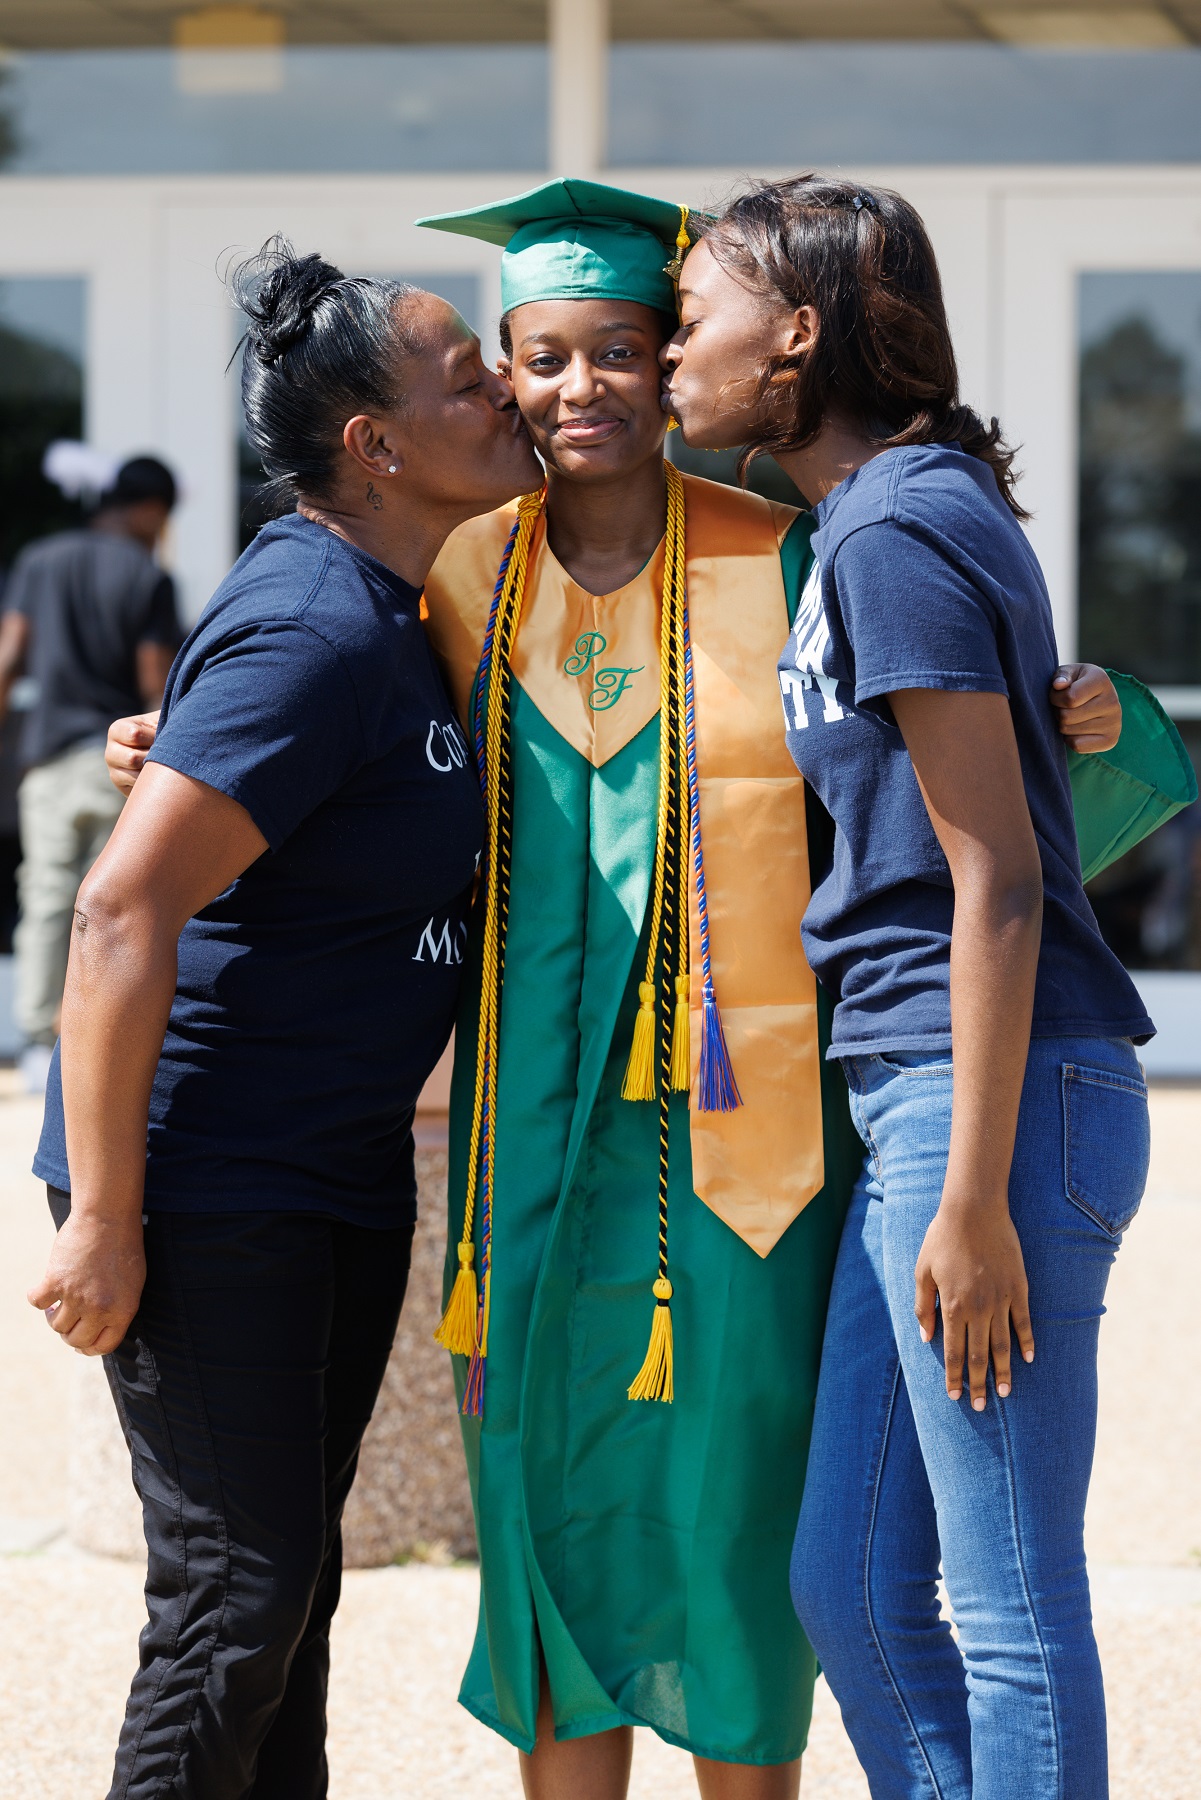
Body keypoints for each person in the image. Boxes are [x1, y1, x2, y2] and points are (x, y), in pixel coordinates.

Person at [103, 185, 1154, 1800]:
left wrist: (1064, 702)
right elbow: (313, 737)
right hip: (526, 1159)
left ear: (675, 363)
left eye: (622, 348)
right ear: (504, 381)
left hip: (757, 1160)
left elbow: (924, 786)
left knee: (755, 1555)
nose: (579, 385)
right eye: (535, 358)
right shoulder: (450, 579)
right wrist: (159, 756)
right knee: (554, 1531)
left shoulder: (796, 543)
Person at [661, 175, 1193, 1798]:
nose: (669, 345)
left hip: (989, 1105)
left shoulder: (896, 526)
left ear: (799, 335)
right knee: (853, 1586)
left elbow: (999, 875)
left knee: (1006, 1599)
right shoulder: (883, 519)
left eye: (696, 317)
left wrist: (971, 1199)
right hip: (929, 1097)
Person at [27, 237, 541, 1800]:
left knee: (287, 1599)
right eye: (470, 377)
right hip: (204, 1173)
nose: (510, 385)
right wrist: (106, 1218)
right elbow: (123, 910)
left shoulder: (404, 601)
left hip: (326, 1162)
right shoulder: (318, 626)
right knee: (232, 1606)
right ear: (372, 446)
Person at [0, 455, 181, 1092]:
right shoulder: (146, 576)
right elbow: (156, 688)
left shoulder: (40, 561)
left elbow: (8, 657)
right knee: (113, 905)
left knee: (46, 894)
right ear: (153, 511)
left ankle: (29, 1047)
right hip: (117, 761)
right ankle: (94, 1045)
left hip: (47, 758)